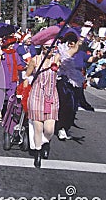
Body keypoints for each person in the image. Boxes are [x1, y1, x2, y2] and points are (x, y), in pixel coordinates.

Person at [25, 37, 60, 168]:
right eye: (47, 48)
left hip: (51, 96)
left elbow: (71, 52)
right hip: (37, 95)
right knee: (38, 127)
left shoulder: (56, 60)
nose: (50, 51)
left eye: (52, 48)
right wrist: (22, 89)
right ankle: (38, 153)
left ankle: (45, 142)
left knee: (49, 129)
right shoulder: (35, 60)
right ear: (42, 48)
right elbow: (27, 75)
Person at [55, 30, 82, 141]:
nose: (71, 44)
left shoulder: (79, 54)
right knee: (64, 105)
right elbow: (55, 62)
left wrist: (97, 57)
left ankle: (65, 127)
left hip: (75, 84)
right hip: (63, 83)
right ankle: (60, 127)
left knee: (73, 108)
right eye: (69, 41)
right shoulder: (62, 52)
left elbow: (89, 59)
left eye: (73, 41)